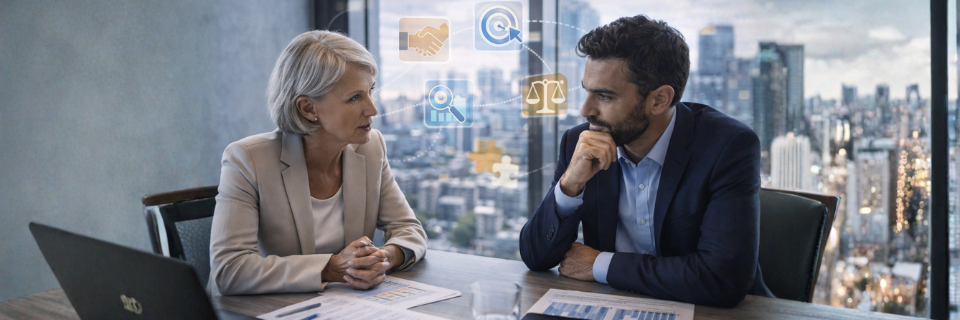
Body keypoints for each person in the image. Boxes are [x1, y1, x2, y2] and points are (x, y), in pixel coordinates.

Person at [518, 15, 772, 308]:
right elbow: (536, 257)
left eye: (604, 96)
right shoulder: (582, 142)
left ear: (659, 100)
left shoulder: (727, 147)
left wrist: (600, 264)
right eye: (587, 90)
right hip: (616, 308)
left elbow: (721, 280)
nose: (585, 109)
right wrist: (570, 186)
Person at [209, 30, 427, 295]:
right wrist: (331, 268)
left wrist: (383, 258)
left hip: (344, 308)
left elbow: (408, 228)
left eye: (370, 91)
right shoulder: (247, 160)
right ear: (308, 109)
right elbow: (230, 269)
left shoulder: (370, 148)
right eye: (355, 98)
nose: (373, 109)